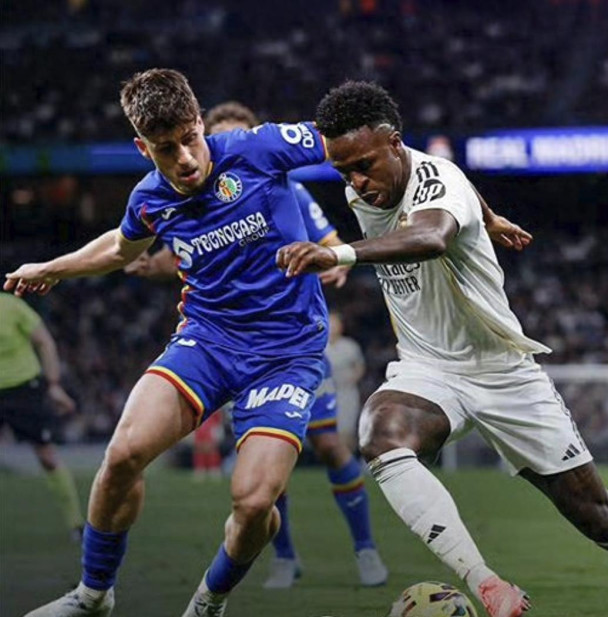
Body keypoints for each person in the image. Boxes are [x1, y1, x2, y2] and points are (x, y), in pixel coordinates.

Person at [276, 81, 608, 617]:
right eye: (345, 173)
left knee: (599, 517)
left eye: (364, 166)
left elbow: (431, 236)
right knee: (380, 435)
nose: (358, 183)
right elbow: (455, 192)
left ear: (395, 143)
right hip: (428, 367)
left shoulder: (439, 180)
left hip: (503, 371)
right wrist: (490, 215)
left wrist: (338, 254)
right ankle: (487, 585)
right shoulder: (366, 188)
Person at [6, 68, 334, 617]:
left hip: (287, 353)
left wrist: (440, 197)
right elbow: (120, 249)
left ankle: (208, 601)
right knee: (121, 456)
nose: (184, 158)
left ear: (200, 122)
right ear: (143, 148)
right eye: (165, 149)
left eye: (190, 139)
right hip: (208, 341)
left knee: (255, 503)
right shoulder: (149, 198)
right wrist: (53, 268)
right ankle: (92, 595)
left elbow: (348, 141)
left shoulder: (258, 148)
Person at [124, 100, 388, 590]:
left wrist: (334, 262)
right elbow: (177, 255)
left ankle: (366, 548)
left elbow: (332, 245)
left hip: (292, 344)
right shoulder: (187, 198)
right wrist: (144, 262)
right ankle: (284, 557)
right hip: (229, 348)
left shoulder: (285, 184)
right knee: (260, 461)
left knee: (331, 445)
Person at [0, 291, 84, 542]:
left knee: (47, 457)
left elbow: (45, 341)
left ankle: (76, 524)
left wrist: (53, 384)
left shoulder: (12, 306)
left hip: (23, 390)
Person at [326, 310, 366, 452]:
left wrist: (353, 378)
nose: (332, 327)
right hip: (325, 394)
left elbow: (360, 366)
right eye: (329, 323)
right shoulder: (319, 346)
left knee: (346, 429)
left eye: (335, 323)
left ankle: (350, 459)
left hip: (346, 393)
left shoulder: (350, 346)